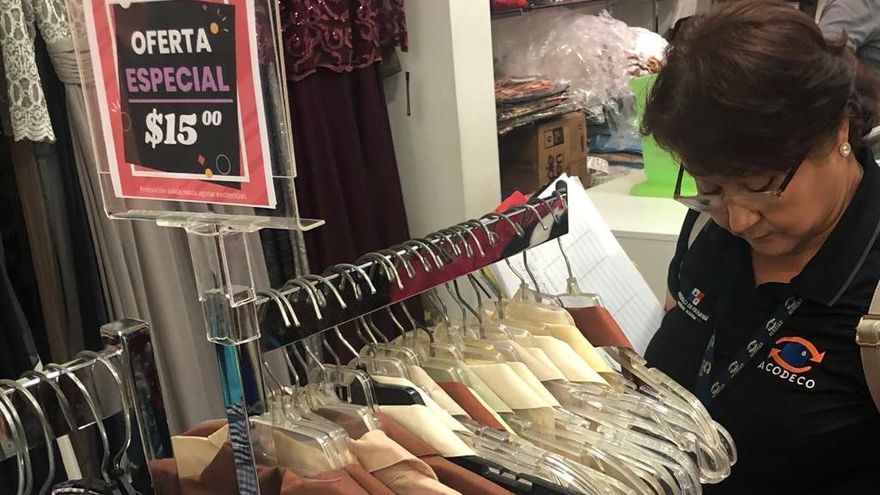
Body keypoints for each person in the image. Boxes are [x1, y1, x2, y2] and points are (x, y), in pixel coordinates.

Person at [641, 1, 880, 494]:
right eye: (710, 187)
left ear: (837, 130)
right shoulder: (708, 228)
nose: (739, 219)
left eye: (762, 186)